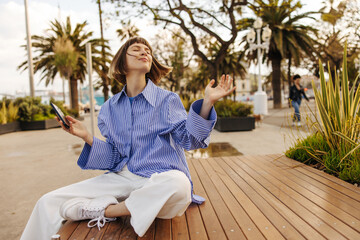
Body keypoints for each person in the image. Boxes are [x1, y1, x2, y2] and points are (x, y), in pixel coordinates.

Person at [20, 37, 236, 240]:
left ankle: (106, 209)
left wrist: (207, 103)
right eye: (136, 49)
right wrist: (87, 136)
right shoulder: (108, 109)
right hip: (123, 177)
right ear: (122, 63)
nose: (144, 52)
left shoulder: (167, 100)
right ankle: (130, 204)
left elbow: (191, 140)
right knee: (47, 202)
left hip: (159, 179)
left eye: (148, 51)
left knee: (180, 185)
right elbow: (114, 157)